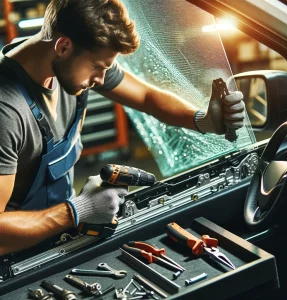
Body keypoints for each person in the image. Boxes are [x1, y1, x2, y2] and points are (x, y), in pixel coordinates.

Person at [0, 0, 245, 255]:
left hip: (63, 231)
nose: (101, 80)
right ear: (63, 46)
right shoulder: (6, 110)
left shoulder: (69, 60)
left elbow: (147, 98)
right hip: (18, 253)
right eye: (97, 67)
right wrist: (78, 210)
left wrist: (202, 120)